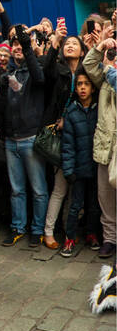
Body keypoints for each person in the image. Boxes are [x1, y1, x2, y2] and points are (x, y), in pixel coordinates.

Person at [0, 23, 48, 248]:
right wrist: (1, 87)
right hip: (10, 140)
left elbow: (40, 79)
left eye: (21, 45)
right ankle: (18, 228)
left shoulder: (35, 69)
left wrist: (27, 46)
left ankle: (37, 230)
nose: (17, 48)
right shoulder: (6, 74)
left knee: (38, 190)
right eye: (14, 45)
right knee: (16, 190)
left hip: (30, 139)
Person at [42, 27, 84, 248]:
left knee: (77, 188)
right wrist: (54, 42)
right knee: (60, 188)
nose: (70, 45)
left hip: (83, 136)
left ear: (82, 50)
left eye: (74, 44)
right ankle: (48, 232)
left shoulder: (86, 72)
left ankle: (70, 230)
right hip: (60, 136)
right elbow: (44, 71)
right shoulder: (57, 70)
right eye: (67, 44)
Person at [83, 22, 117, 259]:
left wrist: (108, 68)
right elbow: (87, 65)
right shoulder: (104, 78)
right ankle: (110, 239)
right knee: (105, 196)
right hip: (105, 143)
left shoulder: (109, 74)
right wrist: (100, 46)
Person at [60, 68, 100, 256]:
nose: (83, 88)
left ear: (92, 87)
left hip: (96, 167)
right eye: (79, 85)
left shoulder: (99, 110)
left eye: (86, 84)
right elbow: (67, 145)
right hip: (78, 168)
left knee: (93, 204)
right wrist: (69, 170)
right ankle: (69, 237)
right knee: (75, 205)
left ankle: (91, 233)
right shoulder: (72, 112)